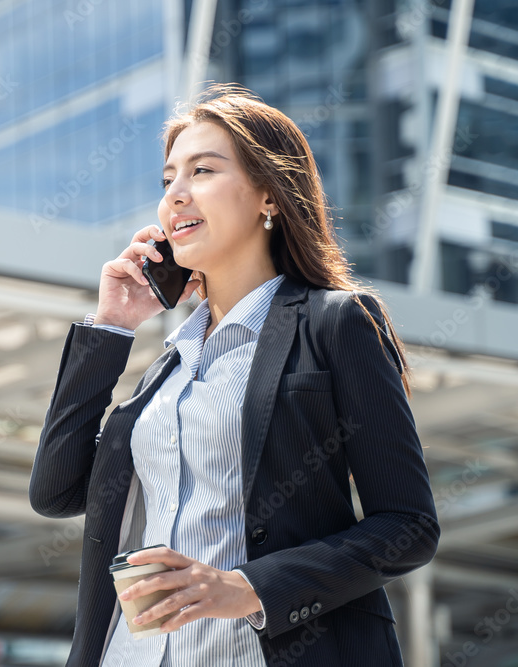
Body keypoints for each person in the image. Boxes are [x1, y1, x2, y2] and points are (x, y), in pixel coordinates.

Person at [27, 84, 439, 667]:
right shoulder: (167, 368)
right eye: (168, 179)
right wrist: (112, 327)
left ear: (269, 194)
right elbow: (55, 492)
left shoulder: (334, 322)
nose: (176, 194)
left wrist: (245, 588)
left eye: (202, 171)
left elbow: (409, 525)